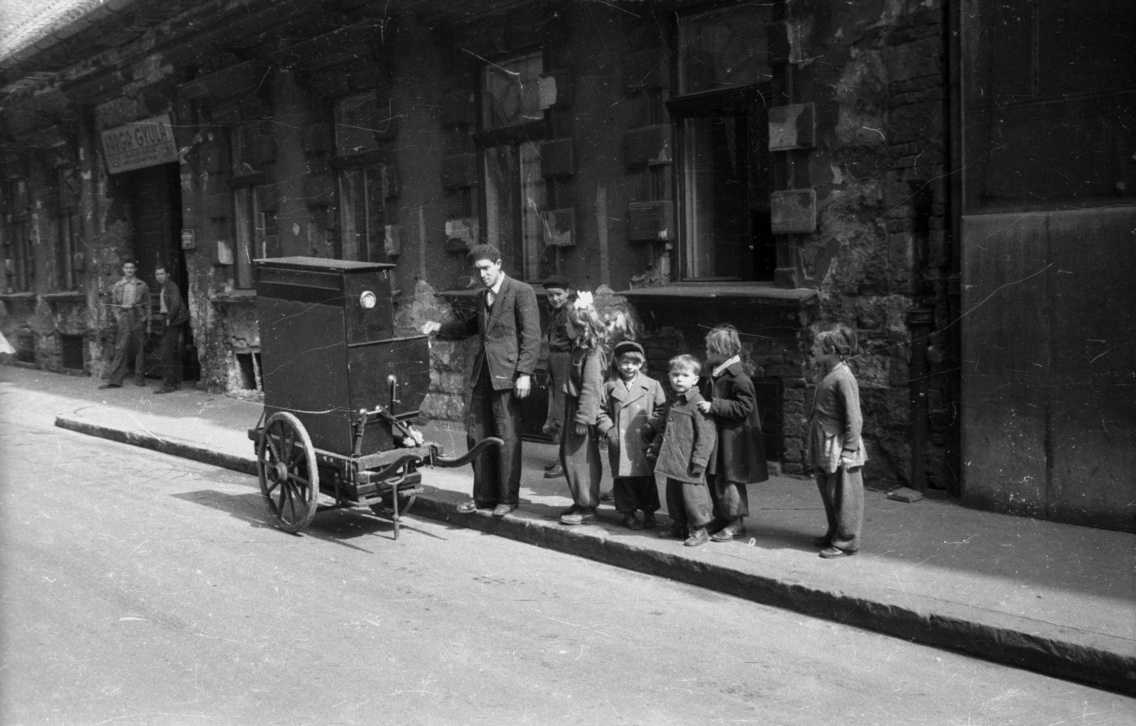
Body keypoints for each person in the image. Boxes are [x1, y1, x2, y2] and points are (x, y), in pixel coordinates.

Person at [421, 244, 540, 517]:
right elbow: (469, 327)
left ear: (498, 264)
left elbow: (532, 336)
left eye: (487, 268)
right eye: (478, 271)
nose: (482, 275)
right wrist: (439, 327)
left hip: (508, 376)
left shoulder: (521, 291)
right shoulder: (482, 296)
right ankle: (483, 496)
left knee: (506, 436)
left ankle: (507, 499)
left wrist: (524, 373)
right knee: (477, 434)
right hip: (483, 374)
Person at [696, 324, 769, 542]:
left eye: (711, 349)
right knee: (715, 476)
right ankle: (722, 516)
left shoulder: (739, 378)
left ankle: (736, 521)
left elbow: (744, 407)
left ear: (724, 352)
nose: (707, 353)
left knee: (730, 479)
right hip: (718, 436)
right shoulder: (716, 373)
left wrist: (715, 406)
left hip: (733, 439)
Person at [807, 322, 867, 559]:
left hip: (839, 445)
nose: (812, 348)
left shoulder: (843, 377)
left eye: (816, 345)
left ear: (831, 350)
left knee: (844, 495)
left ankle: (846, 541)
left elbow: (855, 417)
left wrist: (849, 450)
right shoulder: (826, 371)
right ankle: (835, 532)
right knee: (829, 492)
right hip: (824, 441)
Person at [646, 354, 718, 547]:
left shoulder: (698, 404)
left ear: (695, 379)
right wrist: (656, 446)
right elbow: (665, 429)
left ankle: (700, 529)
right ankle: (679, 524)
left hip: (690, 462)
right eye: (675, 374)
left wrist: (700, 460)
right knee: (674, 494)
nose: (678, 379)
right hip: (673, 458)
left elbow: (707, 435)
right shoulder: (674, 402)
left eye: (684, 375)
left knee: (693, 496)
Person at [596, 340, 666, 530]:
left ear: (641, 364)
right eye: (625, 362)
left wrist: (651, 426)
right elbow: (600, 411)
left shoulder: (652, 385)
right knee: (624, 479)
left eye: (635, 363)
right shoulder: (609, 387)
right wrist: (609, 431)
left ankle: (649, 512)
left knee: (645, 478)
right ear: (617, 363)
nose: (629, 367)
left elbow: (662, 410)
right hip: (620, 440)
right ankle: (628, 513)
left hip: (643, 439)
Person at [557, 291, 608, 526]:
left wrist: (583, 419)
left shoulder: (592, 352)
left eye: (568, 323)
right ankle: (581, 501)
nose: (565, 326)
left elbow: (591, 389)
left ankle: (587, 506)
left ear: (579, 326)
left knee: (581, 460)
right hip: (573, 409)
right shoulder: (579, 348)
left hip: (581, 412)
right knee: (569, 457)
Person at [99, 260, 150, 389]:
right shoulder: (117, 286)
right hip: (124, 315)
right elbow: (114, 305)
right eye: (127, 268)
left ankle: (139, 379)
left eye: (131, 268)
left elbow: (148, 305)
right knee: (121, 347)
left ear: (135, 269)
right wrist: (119, 317)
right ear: (123, 269)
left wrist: (147, 320)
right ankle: (115, 380)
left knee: (139, 348)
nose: (129, 270)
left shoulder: (142, 285)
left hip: (138, 315)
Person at [540, 275, 573, 479]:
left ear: (567, 293)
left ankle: (566, 462)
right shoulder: (556, 312)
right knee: (556, 409)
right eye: (551, 295)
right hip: (555, 363)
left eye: (558, 294)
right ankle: (562, 455)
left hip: (565, 364)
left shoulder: (571, 313)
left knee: (562, 412)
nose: (554, 298)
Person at [153, 265, 189, 394]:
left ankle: (168, 384)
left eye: (162, 273)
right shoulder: (164, 286)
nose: (159, 276)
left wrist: (169, 318)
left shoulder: (171, 286)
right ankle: (177, 382)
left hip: (172, 320)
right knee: (173, 352)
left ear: (167, 274)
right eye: (157, 274)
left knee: (166, 353)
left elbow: (176, 303)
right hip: (168, 319)